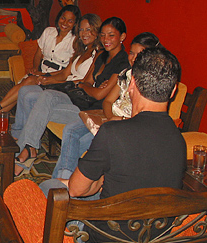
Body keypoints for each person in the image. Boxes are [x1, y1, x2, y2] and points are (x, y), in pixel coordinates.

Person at [40, 47, 185, 243]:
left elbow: (76, 190)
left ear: (132, 84)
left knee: (47, 187)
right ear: (173, 90)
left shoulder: (113, 133)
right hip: (156, 239)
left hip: (108, 241)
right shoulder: (179, 139)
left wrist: (78, 181)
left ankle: (56, 242)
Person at [13, 17, 130, 175]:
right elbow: (87, 82)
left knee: (40, 105)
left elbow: (99, 94)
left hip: (90, 111)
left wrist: (86, 86)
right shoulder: (102, 55)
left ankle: (26, 151)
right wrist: (86, 86)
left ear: (122, 37)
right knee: (45, 97)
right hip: (79, 100)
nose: (105, 39)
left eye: (111, 35)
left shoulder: (123, 63)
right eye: (103, 35)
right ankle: (28, 147)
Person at [52, 32, 162, 179]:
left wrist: (117, 122)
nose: (133, 58)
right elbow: (108, 101)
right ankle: (62, 179)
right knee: (71, 130)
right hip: (108, 118)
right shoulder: (126, 73)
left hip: (126, 126)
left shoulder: (151, 83)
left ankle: (63, 183)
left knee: (84, 142)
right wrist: (110, 118)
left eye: (139, 54)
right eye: (131, 53)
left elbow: (144, 117)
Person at [0, 5, 81, 113]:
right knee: (23, 85)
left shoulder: (75, 41)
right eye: (63, 18)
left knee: (28, 81)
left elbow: (67, 70)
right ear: (59, 17)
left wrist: (41, 75)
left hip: (57, 76)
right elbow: (38, 54)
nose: (65, 23)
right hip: (42, 71)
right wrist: (35, 68)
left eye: (70, 21)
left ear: (75, 24)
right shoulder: (49, 32)